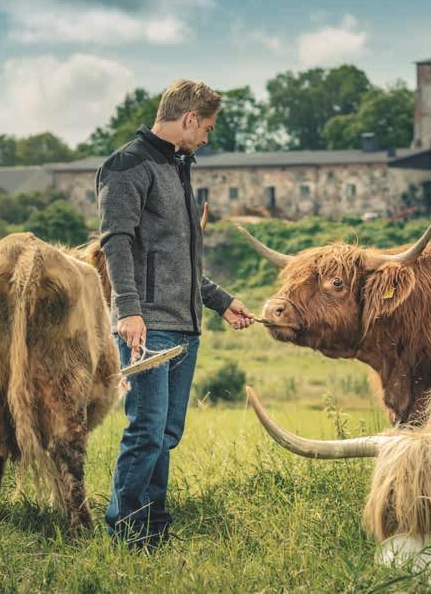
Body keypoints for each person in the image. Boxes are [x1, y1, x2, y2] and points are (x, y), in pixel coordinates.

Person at [97, 79, 254, 548]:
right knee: (146, 432)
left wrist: (222, 303)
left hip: (184, 328)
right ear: (188, 119)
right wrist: (128, 310)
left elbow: (179, 262)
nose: (206, 137)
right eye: (205, 127)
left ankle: (155, 529)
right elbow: (116, 242)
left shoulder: (177, 169)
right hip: (147, 326)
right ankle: (126, 534)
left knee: (165, 433)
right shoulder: (127, 165)